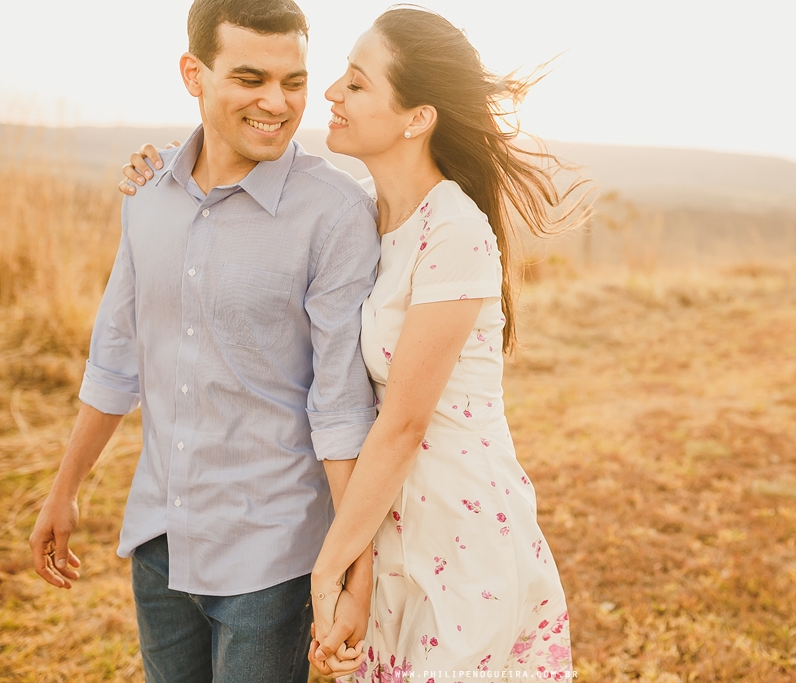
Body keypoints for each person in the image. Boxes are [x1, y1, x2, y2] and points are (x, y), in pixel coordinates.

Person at [120, 7, 584, 680]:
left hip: (455, 529)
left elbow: (401, 424)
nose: (331, 92)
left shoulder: (454, 230)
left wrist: (330, 566)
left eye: (358, 84)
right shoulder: (363, 211)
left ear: (416, 117)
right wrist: (165, 170)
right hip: (385, 522)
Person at [30, 0, 376, 680]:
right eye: (250, 78)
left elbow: (339, 409)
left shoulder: (336, 213)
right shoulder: (148, 190)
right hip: (161, 534)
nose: (277, 103)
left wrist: (352, 568)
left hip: (272, 556)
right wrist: (65, 487)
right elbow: (117, 356)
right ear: (194, 74)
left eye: (294, 81)